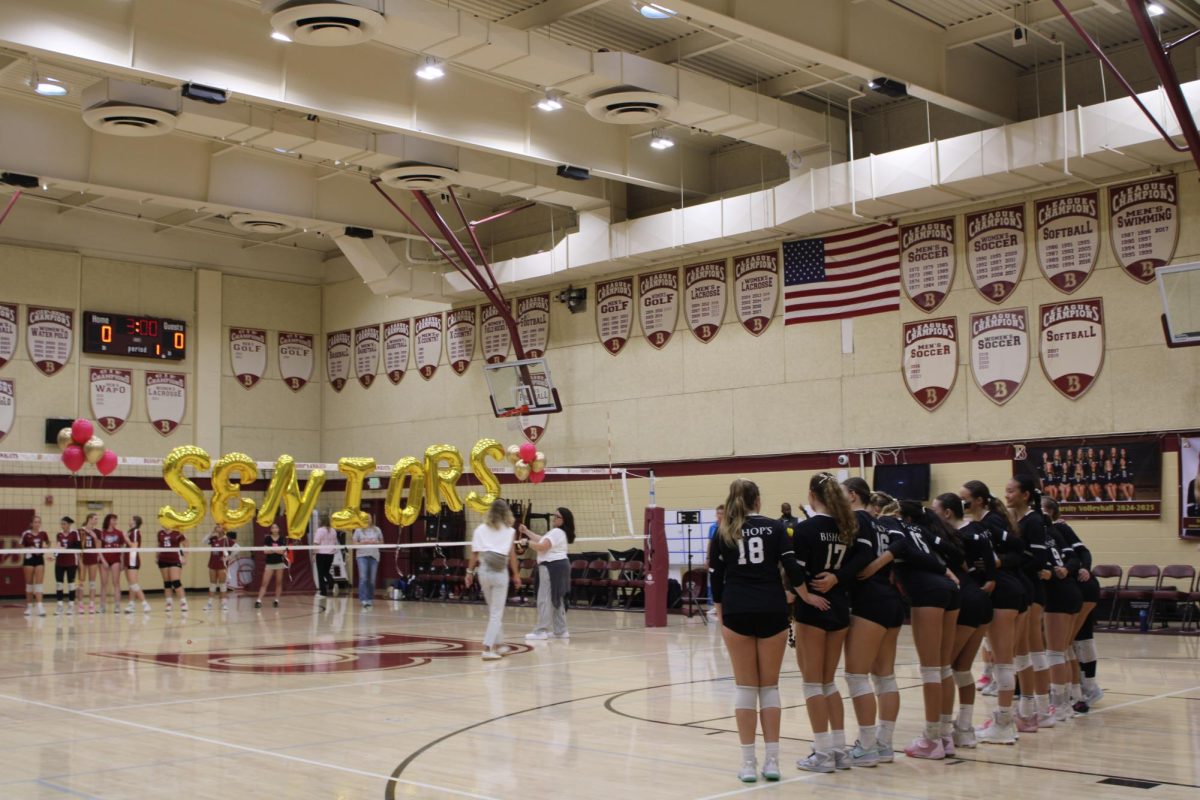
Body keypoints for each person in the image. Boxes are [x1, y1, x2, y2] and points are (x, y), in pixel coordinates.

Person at [709, 479, 808, 782]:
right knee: (769, 688)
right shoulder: (776, 527)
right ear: (758, 501)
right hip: (771, 608)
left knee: (745, 689)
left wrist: (723, 613)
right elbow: (791, 568)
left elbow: (716, 577)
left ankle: (748, 763)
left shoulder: (724, 530)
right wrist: (803, 596)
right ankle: (773, 762)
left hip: (737, 609)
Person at [861, 501, 961, 759]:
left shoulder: (890, 525)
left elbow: (902, 548)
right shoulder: (919, 528)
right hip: (948, 589)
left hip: (928, 592)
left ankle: (931, 738)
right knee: (943, 667)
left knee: (930, 669)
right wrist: (946, 570)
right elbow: (950, 550)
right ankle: (945, 735)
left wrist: (874, 566)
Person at [830, 478, 905, 767]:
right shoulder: (879, 522)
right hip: (891, 601)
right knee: (884, 676)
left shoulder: (857, 519)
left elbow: (857, 562)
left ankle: (867, 745)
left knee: (856, 675)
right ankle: (885, 743)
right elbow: (902, 544)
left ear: (851, 496)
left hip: (870, 602)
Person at [789, 473, 857, 774]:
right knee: (828, 682)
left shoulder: (806, 529)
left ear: (811, 495)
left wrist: (804, 597)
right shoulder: (846, 528)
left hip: (814, 609)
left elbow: (795, 574)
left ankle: (822, 753)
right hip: (841, 608)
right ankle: (840, 750)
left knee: (813, 683)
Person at [961, 479, 1025, 744]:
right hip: (1009, 590)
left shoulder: (991, 523)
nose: (962, 502)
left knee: (1003, 660)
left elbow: (1018, 550)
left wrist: (996, 562)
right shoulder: (982, 523)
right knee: (1003, 659)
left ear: (978, 500)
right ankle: (1005, 720)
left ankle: (1004, 723)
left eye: (965, 498)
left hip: (1004, 590)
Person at [932, 493, 995, 748]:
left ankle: (944, 732)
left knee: (943, 668)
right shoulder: (975, 532)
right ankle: (965, 729)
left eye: (934, 510)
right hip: (980, 599)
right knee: (961, 669)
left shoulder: (953, 536)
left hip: (965, 602)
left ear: (947, 513)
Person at [466, 500, 522, 660]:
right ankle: (487, 648)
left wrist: (469, 573)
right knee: (496, 612)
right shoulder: (510, 531)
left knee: (494, 611)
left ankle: (500, 645)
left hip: (483, 571)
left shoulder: (479, 530)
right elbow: (512, 556)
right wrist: (516, 575)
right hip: (499, 573)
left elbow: (474, 554)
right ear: (506, 513)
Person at [523, 507, 575, 641]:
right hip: (559, 566)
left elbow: (542, 547)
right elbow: (542, 540)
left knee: (544, 598)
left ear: (564, 520)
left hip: (552, 566)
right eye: (554, 515)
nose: (554, 518)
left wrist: (527, 543)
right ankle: (561, 630)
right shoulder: (558, 532)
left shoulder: (557, 531)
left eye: (557, 517)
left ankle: (541, 631)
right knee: (556, 598)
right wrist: (527, 531)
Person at [352, 514, 384, 609]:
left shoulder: (377, 530)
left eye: (369, 518)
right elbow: (354, 543)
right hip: (362, 556)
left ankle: (370, 598)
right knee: (363, 578)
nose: (367, 519)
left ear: (372, 519)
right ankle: (363, 599)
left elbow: (382, 542)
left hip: (374, 556)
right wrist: (363, 542)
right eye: (365, 518)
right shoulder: (358, 530)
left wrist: (376, 542)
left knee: (372, 580)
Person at [21, 515, 50, 617]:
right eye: (35, 522)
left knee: (39, 584)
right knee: (29, 584)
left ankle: (40, 606)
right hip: (29, 559)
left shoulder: (43, 533)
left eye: (39, 522)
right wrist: (29, 547)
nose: (37, 524)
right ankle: (29, 607)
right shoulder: (26, 534)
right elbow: (21, 546)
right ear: (32, 524)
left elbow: (48, 543)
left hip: (39, 559)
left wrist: (46, 547)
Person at [122, 515, 151, 614]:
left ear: (134, 522)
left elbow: (134, 545)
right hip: (127, 559)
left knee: (134, 583)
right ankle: (131, 605)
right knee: (131, 584)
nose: (129, 520)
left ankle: (145, 604)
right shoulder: (130, 531)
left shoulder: (135, 531)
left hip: (132, 559)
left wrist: (125, 538)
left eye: (130, 519)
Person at [157, 524, 188, 613]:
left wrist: (185, 557)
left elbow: (186, 543)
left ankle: (183, 603)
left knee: (176, 581)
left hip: (175, 559)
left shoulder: (177, 532)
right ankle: (169, 603)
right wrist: (156, 556)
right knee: (167, 583)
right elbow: (159, 545)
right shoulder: (160, 533)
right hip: (163, 559)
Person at [98, 513, 125, 614]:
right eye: (114, 520)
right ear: (109, 520)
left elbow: (122, 548)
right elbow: (98, 549)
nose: (115, 522)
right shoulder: (102, 533)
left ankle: (117, 606)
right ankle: (102, 606)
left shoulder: (119, 533)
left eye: (116, 520)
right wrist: (103, 560)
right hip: (104, 560)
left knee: (116, 583)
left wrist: (122, 561)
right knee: (103, 584)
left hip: (115, 560)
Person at [53, 516, 79, 616]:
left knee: (71, 584)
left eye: (64, 523)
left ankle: (71, 605)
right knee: (59, 584)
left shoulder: (74, 533)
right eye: (61, 524)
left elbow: (77, 546)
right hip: (60, 562)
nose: (62, 525)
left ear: (68, 524)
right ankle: (59, 605)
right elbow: (58, 546)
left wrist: (66, 547)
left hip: (71, 562)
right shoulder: (59, 534)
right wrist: (54, 555)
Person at [256, 524, 288, 609]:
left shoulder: (282, 539)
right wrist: (277, 550)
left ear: (278, 529)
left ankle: (276, 600)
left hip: (279, 564)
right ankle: (258, 601)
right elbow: (265, 551)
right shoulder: (267, 538)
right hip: (269, 564)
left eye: (276, 527)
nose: (275, 529)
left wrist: (272, 549)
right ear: (271, 530)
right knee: (264, 583)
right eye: (273, 527)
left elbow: (282, 552)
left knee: (278, 583)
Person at [204, 524, 233, 612]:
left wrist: (228, 557)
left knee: (222, 584)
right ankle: (209, 603)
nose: (217, 527)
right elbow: (204, 541)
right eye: (216, 526)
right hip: (212, 564)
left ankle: (224, 603)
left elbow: (237, 548)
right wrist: (211, 533)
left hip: (222, 565)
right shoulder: (213, 539)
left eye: (219, 526)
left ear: (223, 529)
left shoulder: (227, 540)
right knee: (212, 584)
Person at [79, 513, 101, 614]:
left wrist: (95, 536)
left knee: (92, 582)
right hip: (82, 558)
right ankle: (80, 604)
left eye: (97, 519)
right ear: (89, 519)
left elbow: (99, 547)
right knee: (81, 582)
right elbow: (78, 546)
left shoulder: (97, 532)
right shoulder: (80, 531)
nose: (96, 521)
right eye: (95, 519)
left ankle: (92, 604)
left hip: (93, 558)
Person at [314, 513, 337, 607]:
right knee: (326, 571)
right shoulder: (333, 531)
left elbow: (316, 543)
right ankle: (332, 583)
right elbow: (335, 542)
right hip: (330, 554)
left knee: (320, 572)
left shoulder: (320, 530)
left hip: (321, 554)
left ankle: (323, 592)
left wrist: (313, 553)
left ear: (321, 521)